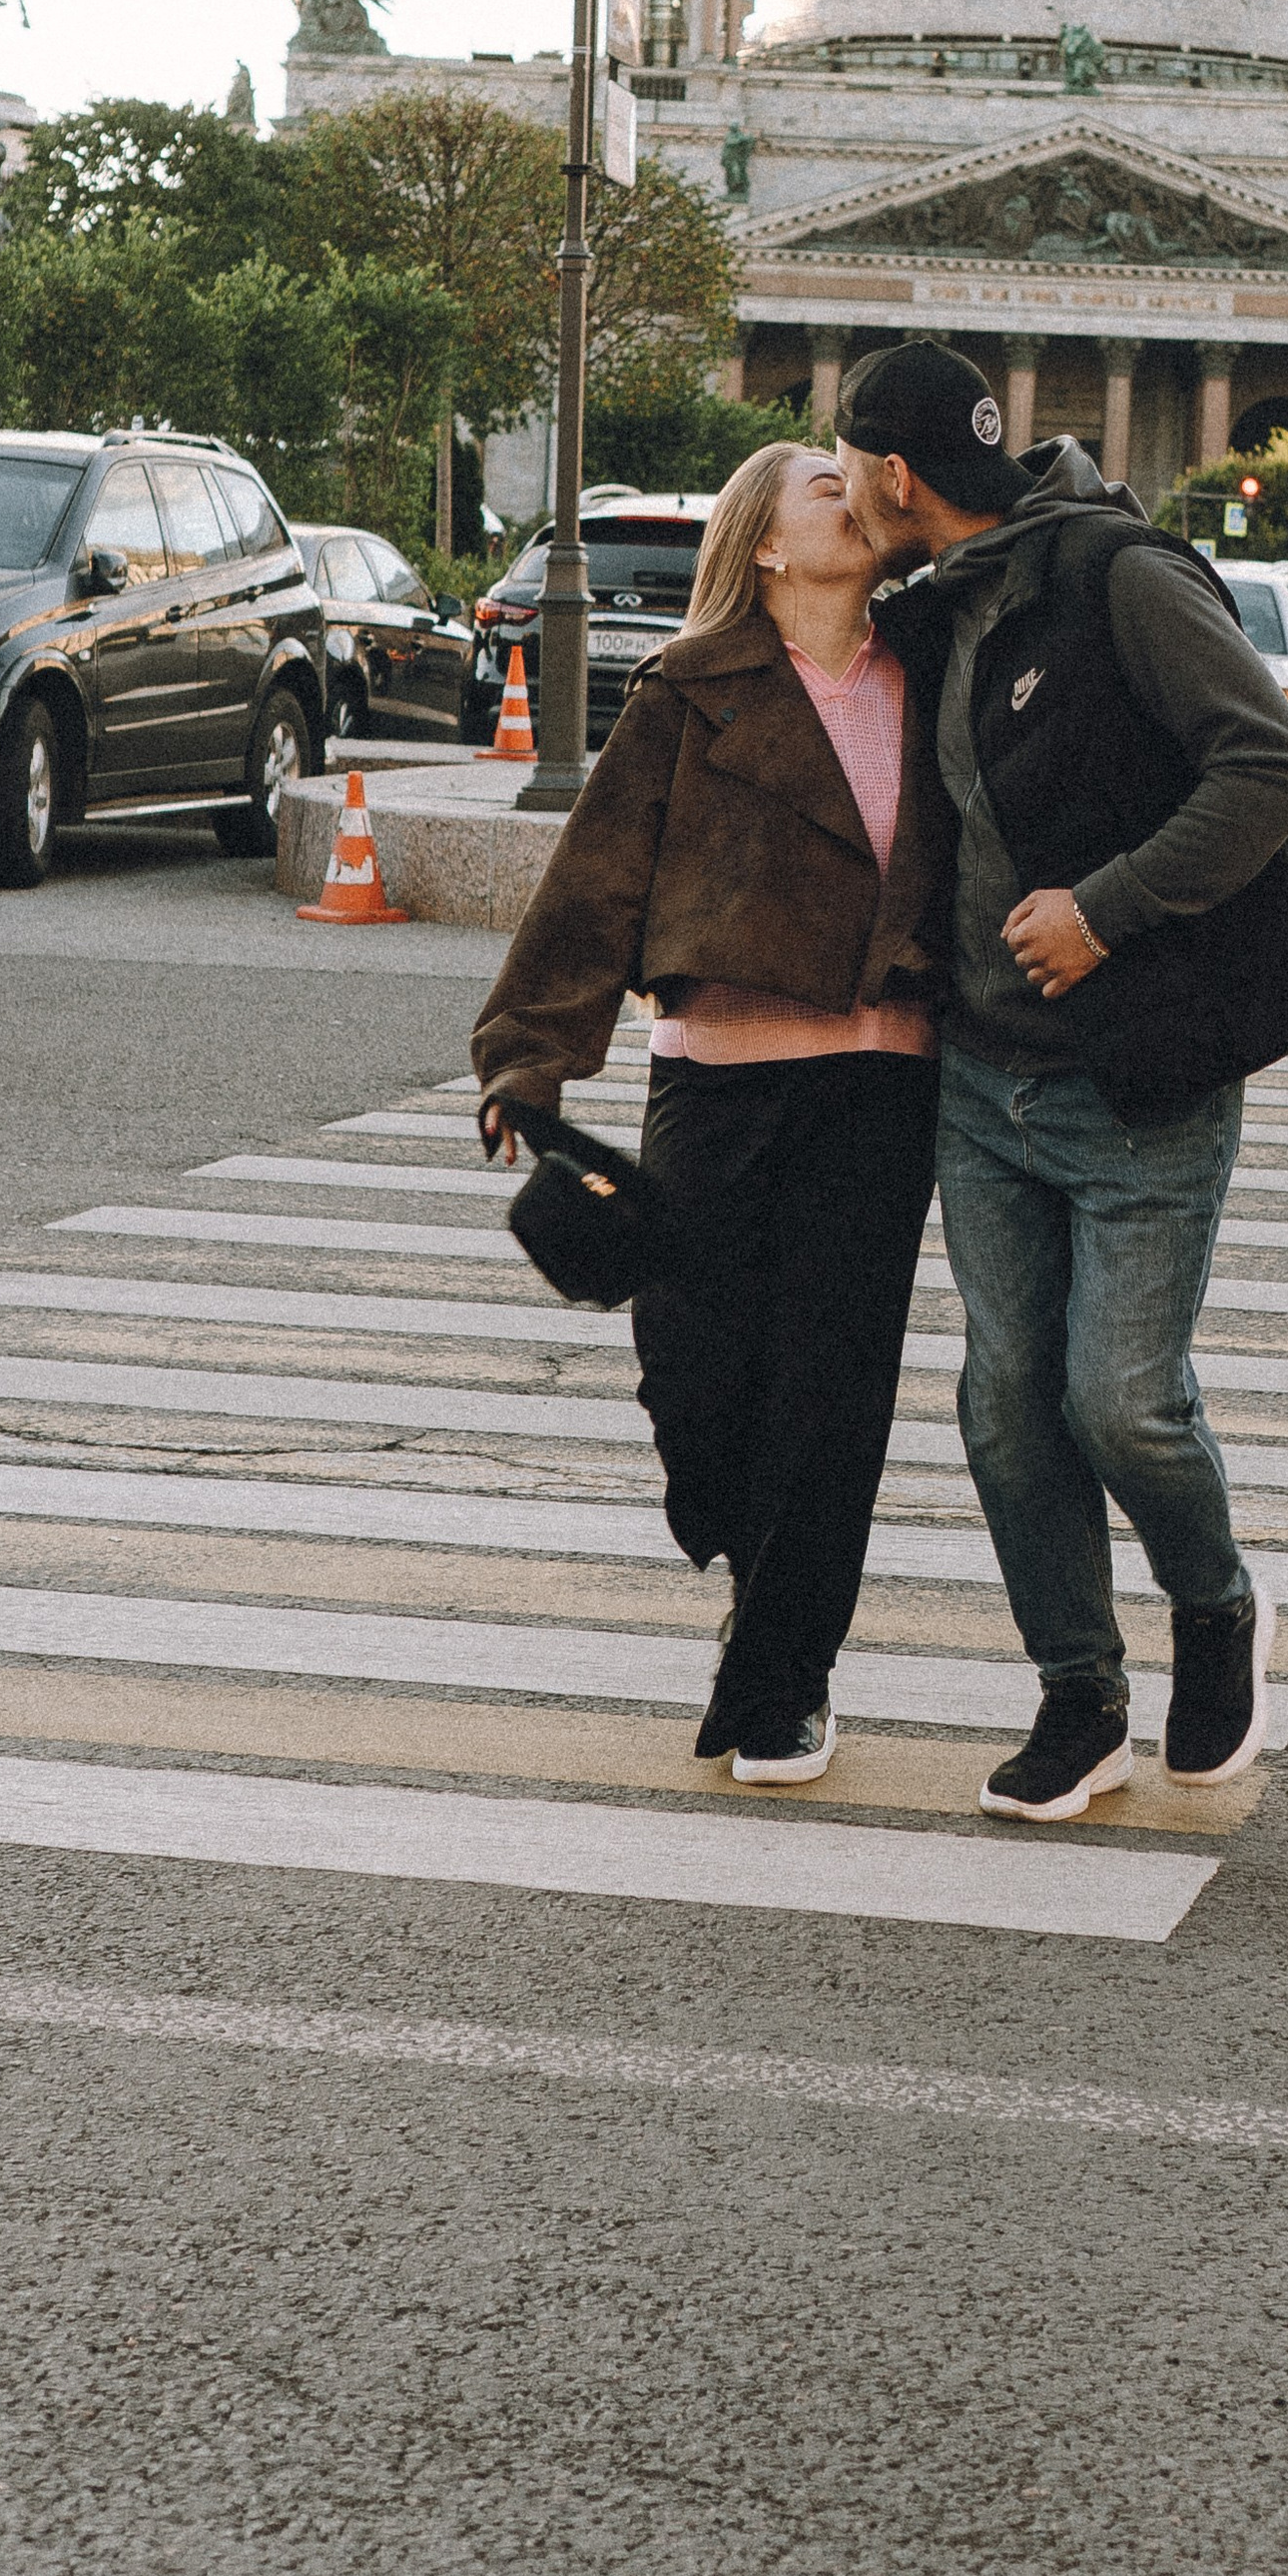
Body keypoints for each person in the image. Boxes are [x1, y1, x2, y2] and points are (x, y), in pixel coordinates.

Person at [838, 342, 1288, 1824]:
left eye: (847, 468)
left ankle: (1217, 1608)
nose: (843, 492)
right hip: (983, 1079)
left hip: (1136, 1075)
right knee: (1006, 1407)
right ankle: (1079, 1695)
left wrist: (1105, 910)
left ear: (897, 475)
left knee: (1122, 1404)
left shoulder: (1123, 578)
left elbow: (1271, 769)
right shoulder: (938, 603)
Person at [471, 444, 950, 1787]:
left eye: (857, 477)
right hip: (717, 1079)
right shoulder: (692, 689)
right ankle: (758, 1574)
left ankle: (784, 1678)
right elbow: (598, 879)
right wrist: (527, 1058)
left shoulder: (933, 671)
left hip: (882, 1083)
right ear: (766, 547)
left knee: (830, 1395)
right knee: (695, 1372)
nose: (849, 489)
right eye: (818, 485)